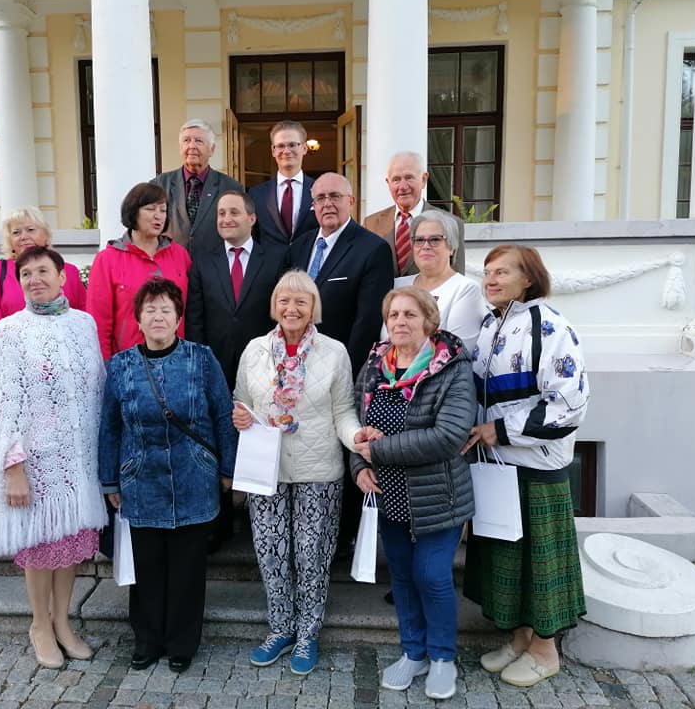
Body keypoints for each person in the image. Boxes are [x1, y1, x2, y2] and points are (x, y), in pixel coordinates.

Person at [0, 246, 107, 670]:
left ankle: (63, 622)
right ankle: (39, 625)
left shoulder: (84, 324)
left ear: (63, 277)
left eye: (43, 271)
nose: (34, 280)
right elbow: (3, 404)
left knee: (71, 543)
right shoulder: (9, 331)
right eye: (26, 274)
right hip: (37, 461)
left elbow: (97, 388)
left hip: (79, 459)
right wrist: (13, 467)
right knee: (40, 545)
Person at [461, 244, 590, 688]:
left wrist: (501, 430)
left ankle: (545, 650)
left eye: (503, 272)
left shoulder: (550, 325)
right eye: (487, 272)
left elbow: (570, 404)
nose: (491, 280)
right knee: (508, 559)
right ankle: (519, 638)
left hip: (535, 465)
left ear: (529, 278)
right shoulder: (489, 325)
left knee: (539, 564)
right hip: (496, 466)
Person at [98, 277, 237, 674]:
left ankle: (181, 642)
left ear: (178, 318)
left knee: (187, 569)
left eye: (166, 310)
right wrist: (109, 480)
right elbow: (110, 427)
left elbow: (222, 414)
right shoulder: (121, 366)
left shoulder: (201, 359)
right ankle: (147, 640)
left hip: (195, 478)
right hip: (141, 480)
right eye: (150, 310)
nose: (158, 317)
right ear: (138, 319)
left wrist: (227, 469)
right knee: (147, 568)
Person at [232, 270, 361, 676]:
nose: (292, 308)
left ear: (313, 308)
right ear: (275, 305)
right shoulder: (254, 350)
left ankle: (308, 631)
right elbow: (241, 400)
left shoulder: (334, 352)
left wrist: (357, 438)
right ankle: (281, 627)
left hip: (318, 469)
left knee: (311, 554)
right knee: (271, 553)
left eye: (301, 301)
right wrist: (240, 417)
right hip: (265, 469)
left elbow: (344, 411)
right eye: (285, 300)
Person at [351, 286, 476, 700]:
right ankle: (414, 652)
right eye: (393, 315)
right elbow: (357, 424)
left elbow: (448, 436)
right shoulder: (376, 364)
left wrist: (379, 450)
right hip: (389, 495)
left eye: (409, 314)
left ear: (429, 320)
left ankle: (442, 657)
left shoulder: (451, 367)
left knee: (432, 575)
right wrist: (359, 467)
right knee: (402, 577)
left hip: (438, 494)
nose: (400, 322)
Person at [288, 172, 394, 555]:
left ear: (351, 201)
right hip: (296, 374)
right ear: (312, 205)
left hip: (344, 372)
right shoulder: (299, 247)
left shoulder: (371, 249)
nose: (327, 204)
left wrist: (341, 373)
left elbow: (367, 320)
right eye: (320, 198)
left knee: (342, 449)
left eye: (335, 196)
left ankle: (341, 538)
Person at [185, 190, 288, 551]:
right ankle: (221, 522)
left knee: (259, 436)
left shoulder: (276, 257)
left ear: (252, 218)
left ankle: (262, 520)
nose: (226, 219)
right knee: (219, 438)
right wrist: (199, 364)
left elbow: (281, 313)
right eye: (221, 214)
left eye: (234, 212)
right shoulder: (202, 260)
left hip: (263, 368)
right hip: (215, 364)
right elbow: (195, 316)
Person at [86, 182, 191, 362]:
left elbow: (191, 313)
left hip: (176, 361)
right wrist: (106, 367)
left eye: (163, 210)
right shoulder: (107, 259)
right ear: (133, 211)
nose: (158, 216)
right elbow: (99, 324)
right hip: (128, 363)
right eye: (150, 209)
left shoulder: (180, 255)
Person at [0, 207, 87, 341]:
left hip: (63, 347)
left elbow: (83, 317)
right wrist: (25, 344)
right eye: (16, 232)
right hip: (12, 348)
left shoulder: (69, 271)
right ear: (10, 240)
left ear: (46, 235)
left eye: (30, 230)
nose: (23, 237)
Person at [389, 209, 484, 352]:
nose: (426, 246)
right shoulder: (397, 286)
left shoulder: (465, 290)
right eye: (419, 240)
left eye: (435, 239)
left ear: (451, 247)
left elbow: (455, 352)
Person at [363, 151, 466, 277]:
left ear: (423, 179)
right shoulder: (371, 224)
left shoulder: (451, 223)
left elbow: (457, 278)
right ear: (388, 183)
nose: (403, 186)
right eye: (396, 179)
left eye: (409, 178)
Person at [152, 119, 243, 255]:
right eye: (186, 140)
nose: (192, 146)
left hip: (214, 264)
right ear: (180, 148)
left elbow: (240, 233)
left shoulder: (231, 187)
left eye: (199, 141)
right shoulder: (159, 185)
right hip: (170, 263)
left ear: (212, 149)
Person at [247, 120, 319, 246]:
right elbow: (253, 237)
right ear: (273, 151)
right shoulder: (256, 194)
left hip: (308, 258)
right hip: (270, 259)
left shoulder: (319, 190)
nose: (286, 151)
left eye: (292, 145)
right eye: (280, 146)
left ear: (304, 148)